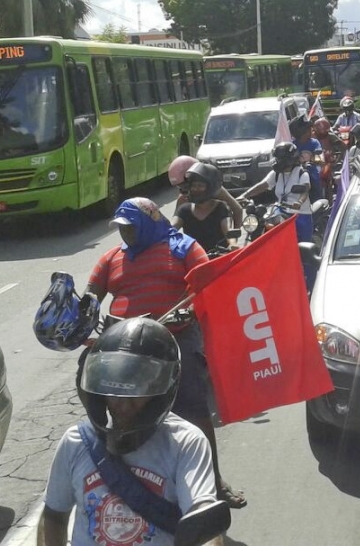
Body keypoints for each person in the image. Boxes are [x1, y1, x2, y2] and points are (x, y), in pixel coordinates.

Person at [81, 196, 245, 510]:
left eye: (130, 228)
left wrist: (192, 310)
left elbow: (205, 286)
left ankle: (213, 480)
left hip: (173, 341)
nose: (124, 234)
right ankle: (117, 479)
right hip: (121, 349)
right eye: (121, 229)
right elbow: (91, 297)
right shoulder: (111, 257)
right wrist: (77, 313)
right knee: (105, 408)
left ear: (149, 221)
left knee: (194, 410)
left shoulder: (183, 248)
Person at [38, 317, 219, 546]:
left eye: (136, 391)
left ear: (160, 392)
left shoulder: (185, 443)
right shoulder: (76, 442)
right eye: (113, 390)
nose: (122, 404)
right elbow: (54, 514)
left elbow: (203, 521)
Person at [172, 163, 235, 253]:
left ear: (210, 188)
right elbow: (172, 228)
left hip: (218, 258)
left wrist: (233, 244)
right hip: (192, 260)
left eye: (200, 186)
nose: (196, 189)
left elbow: (229, 231)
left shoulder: (221, 208)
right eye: (194, 186)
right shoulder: (184, 210)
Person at [167, 155, 243, 228]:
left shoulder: (217, 191)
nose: (186, 191)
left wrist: (235, 234)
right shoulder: (183, 199)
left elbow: (237, 210)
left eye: (186, 186)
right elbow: (174, 223)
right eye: (181, 188)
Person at [289, 114, 324, 202]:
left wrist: (316, 159)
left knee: (312, 171)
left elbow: (319, 155)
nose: (311, 131)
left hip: (310, 169)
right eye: (308, 129)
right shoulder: (291, 145)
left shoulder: (314, 143)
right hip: (296, 171)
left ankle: (318, 199)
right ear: (301, 132)